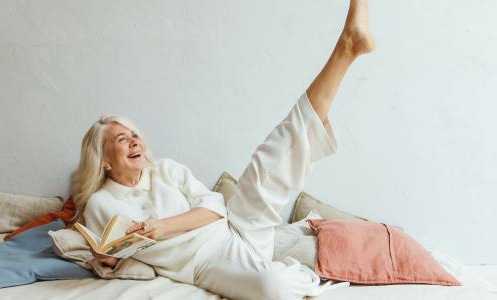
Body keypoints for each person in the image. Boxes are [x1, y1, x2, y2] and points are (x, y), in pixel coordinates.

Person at [72, 0, 375, 298]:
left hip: (234, 224)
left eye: (134, 134)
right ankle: (297, 276)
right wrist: (109, 261)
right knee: (274, 287)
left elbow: (215, 210)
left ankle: (346, 48)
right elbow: (114, 255)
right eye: (121, 139)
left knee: (270, 162)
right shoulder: (100, 204)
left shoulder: (165, 169)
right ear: (105, 161)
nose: (134, 141)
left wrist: (162, 226)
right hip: (206, 263)